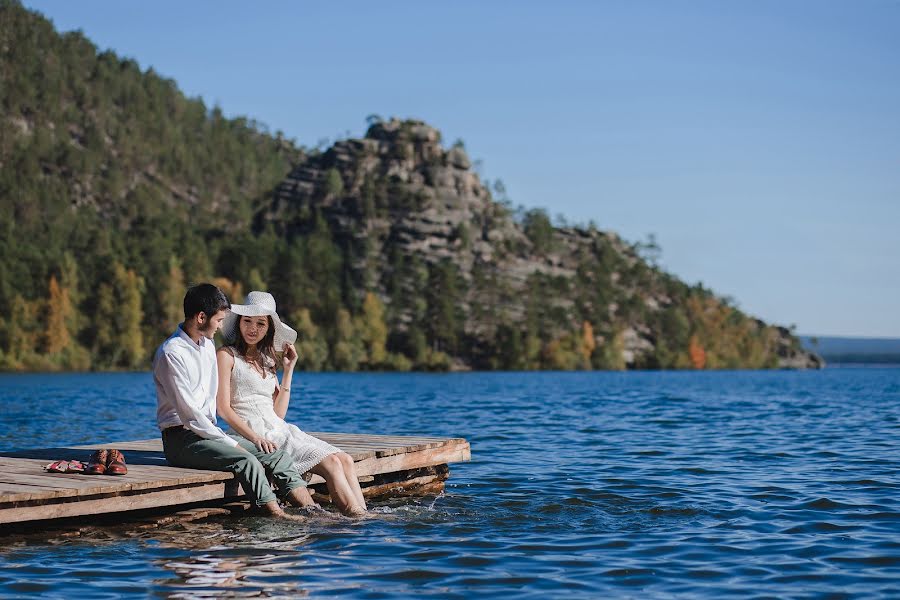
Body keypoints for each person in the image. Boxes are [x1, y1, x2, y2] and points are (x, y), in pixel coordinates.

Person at [152, 283, 315, 521]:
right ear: (200, 317)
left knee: (274, 455)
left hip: (208, 433)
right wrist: (231, 443)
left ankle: (312, 510)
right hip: (182, 439)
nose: (221, 326)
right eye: (218, 320)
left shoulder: (206, 344)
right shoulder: (171, 353)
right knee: (245, 459)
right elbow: (190, 416)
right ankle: (276, 514)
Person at [215, 291, 367, 517]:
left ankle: (364, 515)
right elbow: (223, 409)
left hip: (279, 430)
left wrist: (288, 371)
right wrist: (255, 438)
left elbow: (278, 413)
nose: (252, 328)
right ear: (238, 322)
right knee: (332, 464)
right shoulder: (226, 355)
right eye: (247, 321)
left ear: (269, 329)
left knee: (345, 459)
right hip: (251, 433)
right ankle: (357, 520)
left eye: (260, 324)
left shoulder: (267, 361)